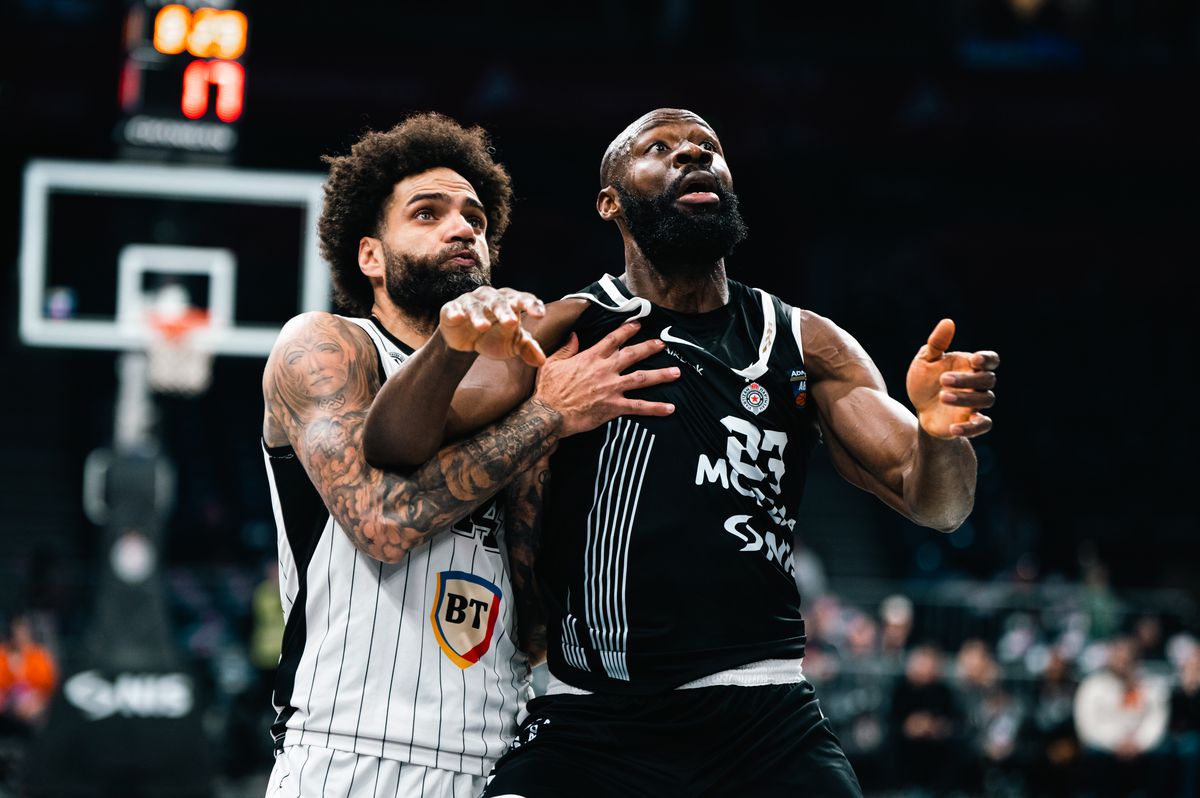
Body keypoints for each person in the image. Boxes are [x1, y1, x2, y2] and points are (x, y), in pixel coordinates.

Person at [364, 108, 1000, 796]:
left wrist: (941, 436)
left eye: (707, 147)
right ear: (610, 203)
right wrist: (448, 346)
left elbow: (938, 505)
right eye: (660, 147)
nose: (692, 155)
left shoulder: (804, 342)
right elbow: (393, 440)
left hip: (764, 721)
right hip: (595, 722)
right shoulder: (569, 327)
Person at [259, 112, 677, 798]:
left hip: (499, 750)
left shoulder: (515, 382)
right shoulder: (326, 346)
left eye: (476, 220)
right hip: (349, 749)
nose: (462, 230)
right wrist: (548, 416)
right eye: (428, 214)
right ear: (370, 256)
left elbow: (534, 623)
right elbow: (381, 524)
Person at [1073, 637, 1170, 797]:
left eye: (1128, 658)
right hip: (1104, 747)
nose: (1123, 662)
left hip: (1140, 748)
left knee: (1164, 753)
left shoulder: (1149, 685)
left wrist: (1140, 742)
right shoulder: (1092, 685)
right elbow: (1087, 726)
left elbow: (1156, 719)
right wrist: (1116, 742)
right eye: (1119, 657)